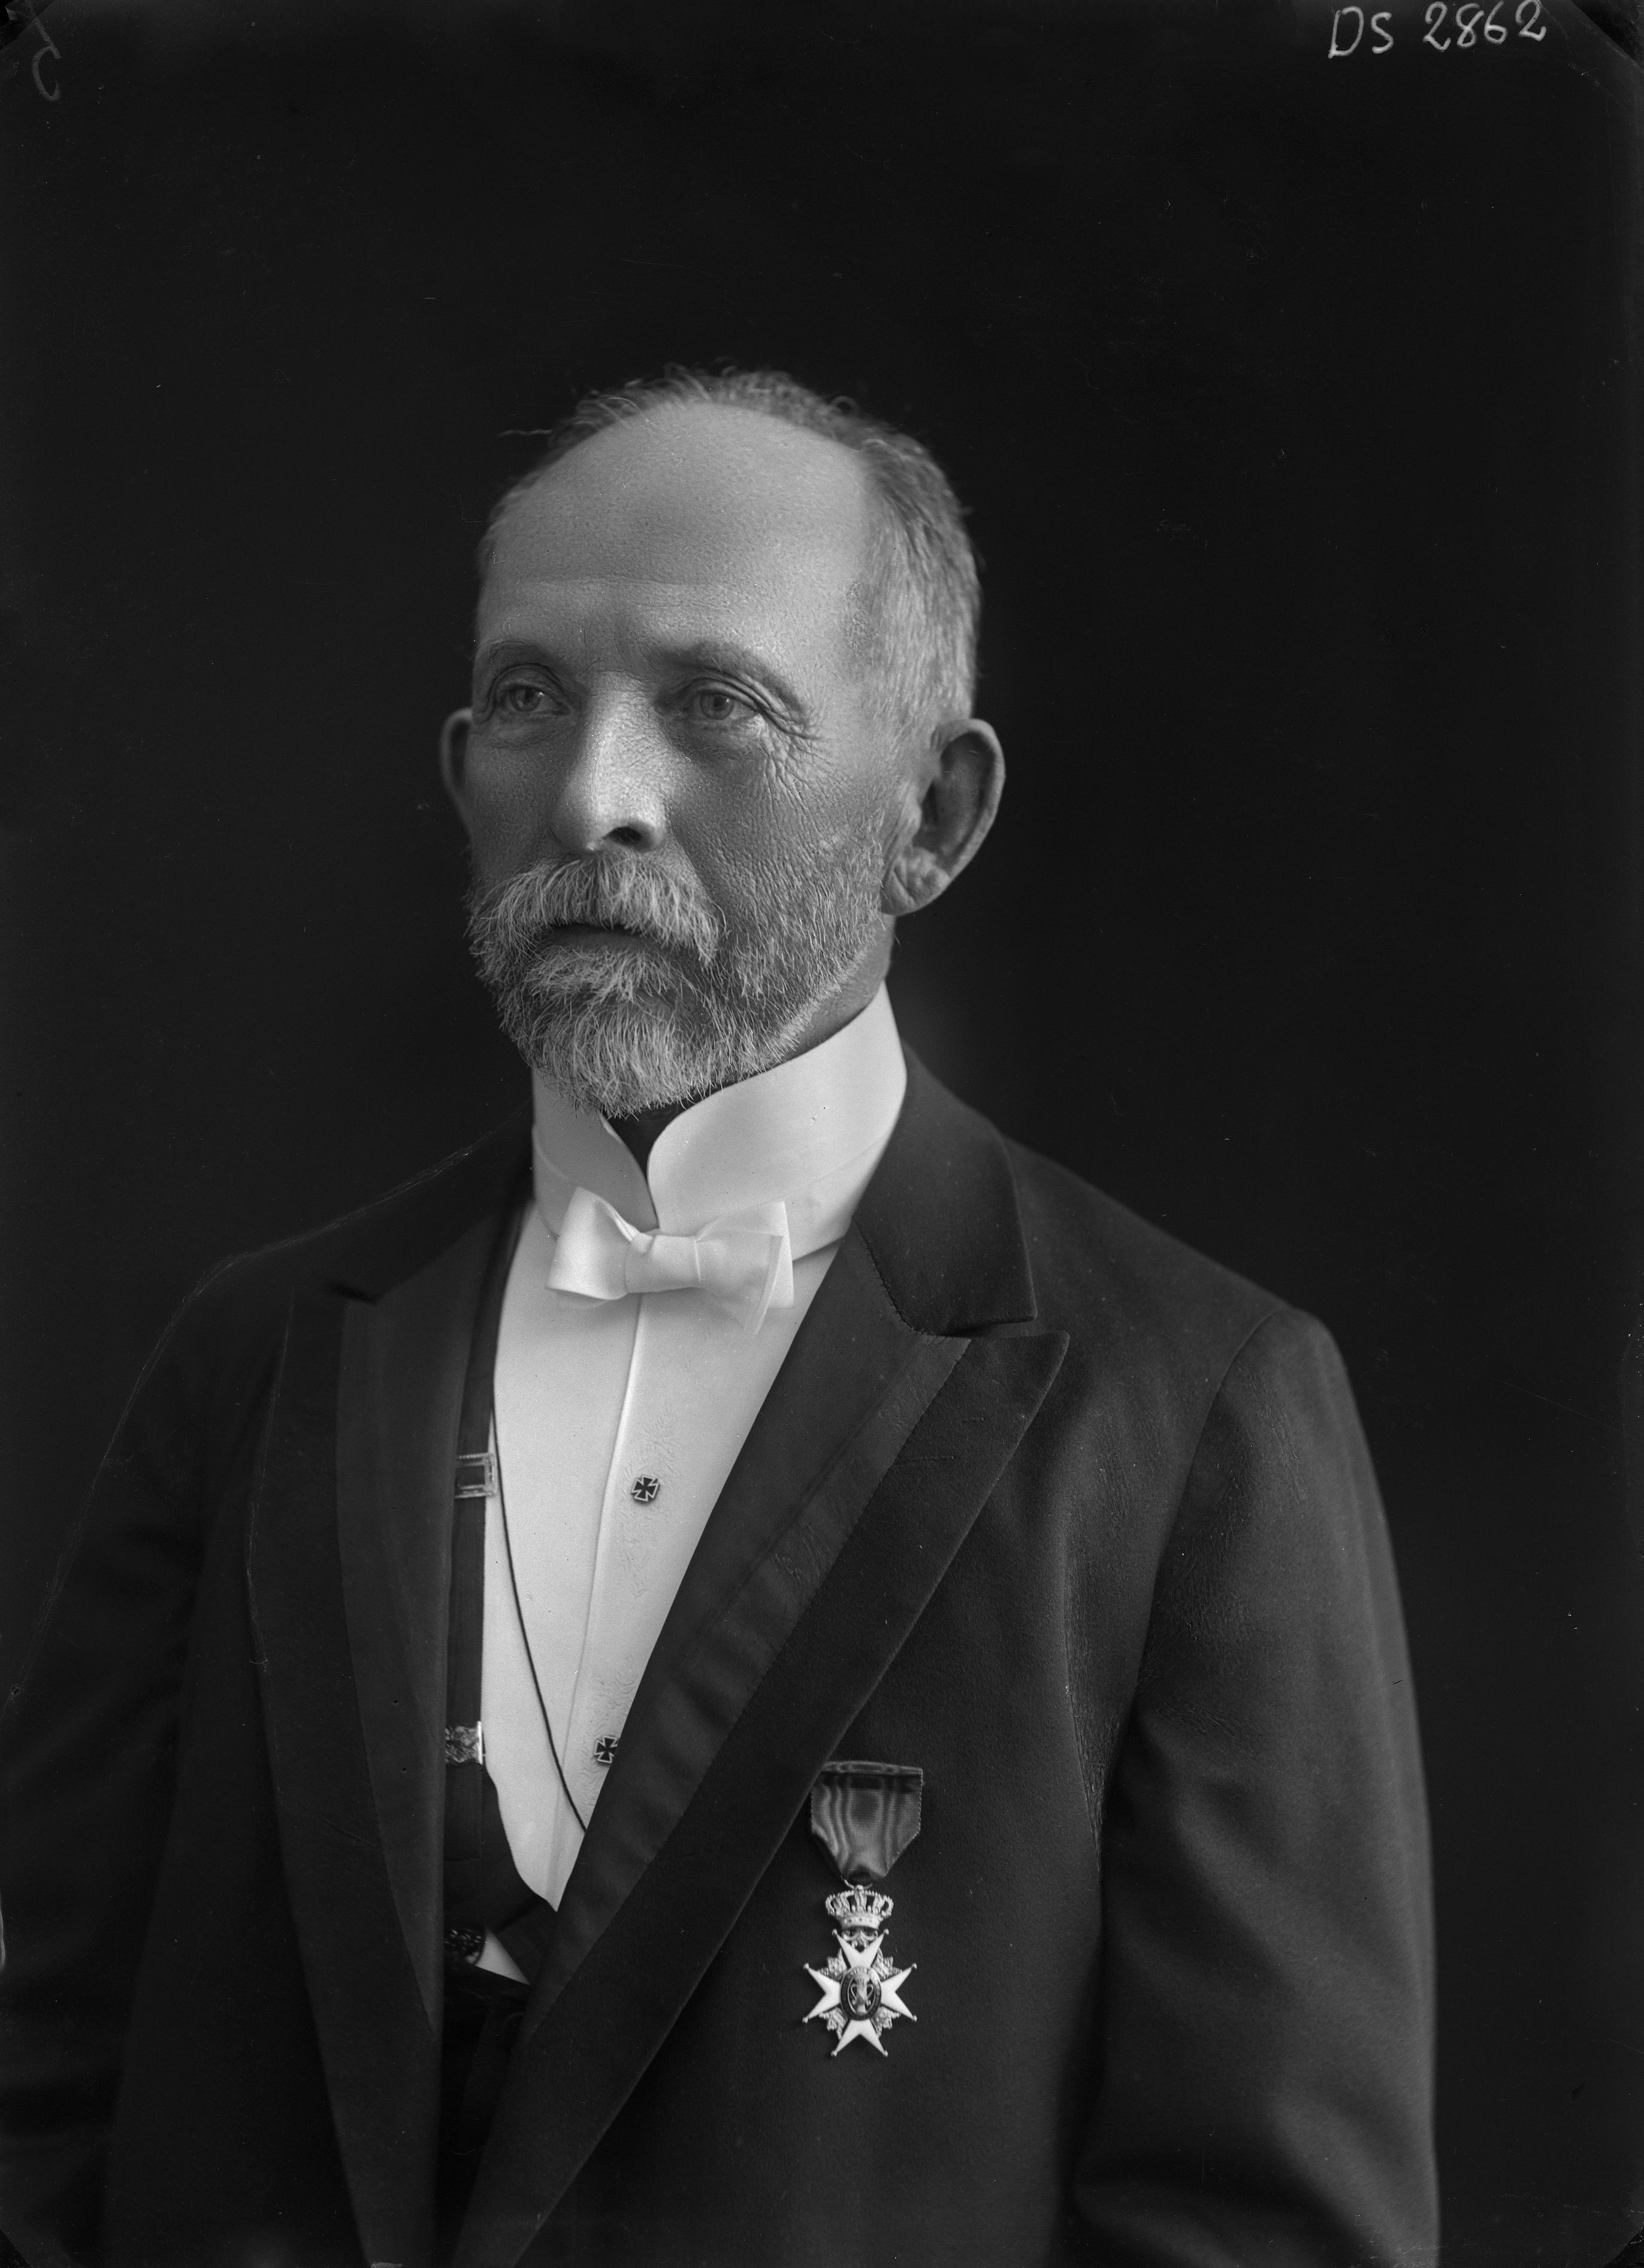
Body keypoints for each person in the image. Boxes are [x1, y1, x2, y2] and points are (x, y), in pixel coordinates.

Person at [0, 368, 1438, 2268]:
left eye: (717, 703)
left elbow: (1270, 2228)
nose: (594, 794)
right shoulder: (256, 1349)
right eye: (532, 698)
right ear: (461, 772)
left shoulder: (1197, 1410)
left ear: (935, 813)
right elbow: (44, 2098)